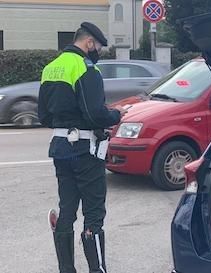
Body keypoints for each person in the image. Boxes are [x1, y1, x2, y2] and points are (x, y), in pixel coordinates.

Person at [38, 22, 127, 273]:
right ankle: (97, 270)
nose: (97, 51)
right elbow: (95, 113)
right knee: (94, 214)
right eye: (97, 46)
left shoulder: (50, 68)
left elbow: (43, 116)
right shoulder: (86, 67)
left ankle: (66, 269)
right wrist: (116, 114)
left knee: (67, 209)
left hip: (60, 148)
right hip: (85, 150)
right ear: (89, 43)